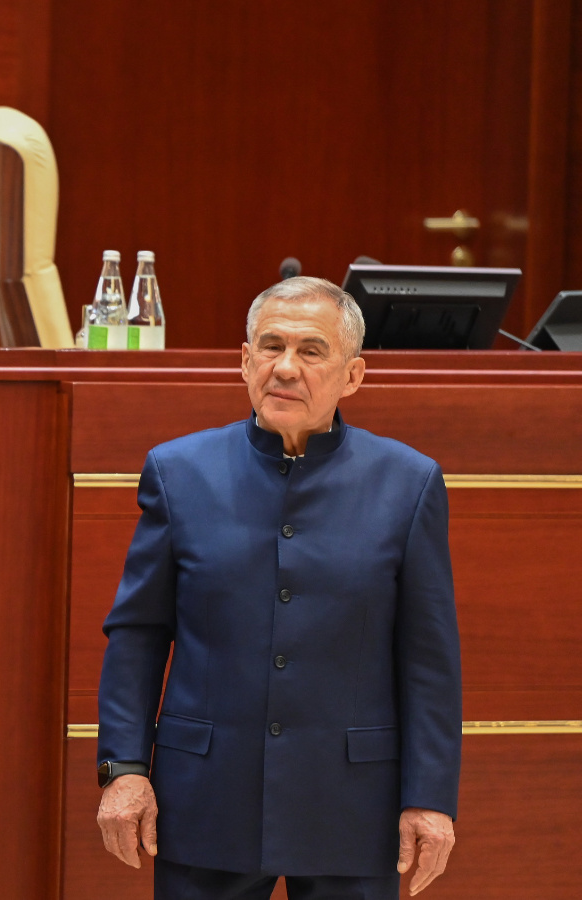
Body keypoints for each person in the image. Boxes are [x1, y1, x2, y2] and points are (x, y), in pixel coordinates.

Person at [95, 277, 460, 899]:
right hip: (206, 794)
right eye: (271, 347)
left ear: (353, 376)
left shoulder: (408, 482)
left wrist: (429, 796)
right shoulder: (178, 472)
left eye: (311, 351)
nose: (285, 367)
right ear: (245, 362)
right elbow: (138, 633)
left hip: (351, 803)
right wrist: (124, 768)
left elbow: (428, 658)